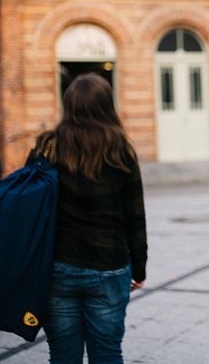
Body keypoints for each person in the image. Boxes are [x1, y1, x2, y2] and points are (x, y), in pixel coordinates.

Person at [29, 73, 147, 364]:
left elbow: (31, 207)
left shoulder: (47, 147)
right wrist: (139, 267)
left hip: (57, 266)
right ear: (107, 105)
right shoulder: (120, 149)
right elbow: (134, 215)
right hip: (109, 265)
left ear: (68, 105)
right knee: (107, 353)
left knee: (62, 355)